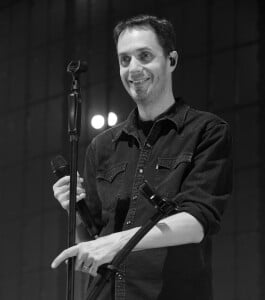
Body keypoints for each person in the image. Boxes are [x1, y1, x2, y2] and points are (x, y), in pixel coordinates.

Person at [51, 14, 232, 300]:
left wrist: (115, 243)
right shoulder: (101, 146)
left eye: (144, 56)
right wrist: (74, 213)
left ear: (171, 60)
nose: (133, 69)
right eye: (125, 60)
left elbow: (197, 223)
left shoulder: (206, 131)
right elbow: (93, 243)